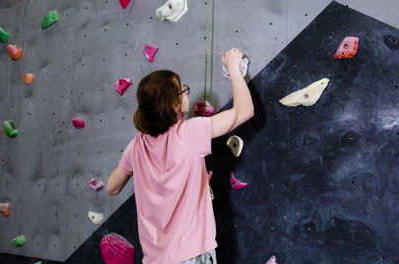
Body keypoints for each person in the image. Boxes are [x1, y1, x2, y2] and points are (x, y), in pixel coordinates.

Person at [106, 48, 275, 264]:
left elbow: (112, 187)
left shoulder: (137, 145)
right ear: (174, 104)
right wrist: (234, 69)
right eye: (182, 90)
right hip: (190, 255)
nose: (187, 93)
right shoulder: (188, 133)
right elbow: (245, 111)